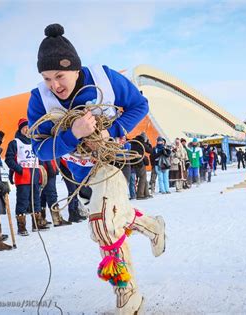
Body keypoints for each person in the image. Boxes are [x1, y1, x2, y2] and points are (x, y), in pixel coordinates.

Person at [27, 24, 165, 313]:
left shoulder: (104, 78)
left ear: (75, 69)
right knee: (116, 218)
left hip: (112, 162)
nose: (54, 85)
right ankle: (152, 227)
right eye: (47, 78)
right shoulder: (40, 98)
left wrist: (112, 130)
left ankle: (127, 294)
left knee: (102, 225)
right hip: (80, 174)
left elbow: (139, 105)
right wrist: (72, 134)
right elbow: (40, 148)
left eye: (59, 76)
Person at [5, 118, 50, 235]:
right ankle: (21, 227)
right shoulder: (15, 142)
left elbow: (39, 158)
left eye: (29, 127)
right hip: (23, 177)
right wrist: (19, 170)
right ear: (20, 129)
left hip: (35, 176)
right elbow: (9, 159)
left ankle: (37, 223)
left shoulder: (34, 141)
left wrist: (41, 169)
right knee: (22, 201)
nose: (27, 129)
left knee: (36, 200)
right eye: (24, 127)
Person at [40, 159, 71, 227]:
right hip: (47, 168)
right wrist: (50, 167)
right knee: (51, 194)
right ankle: (57, 219)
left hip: (46, 167)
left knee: (43, 195)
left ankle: (41, 219)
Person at [130, 132, 153, 200]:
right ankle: (140, 194)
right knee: (142, 177)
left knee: (144, 177)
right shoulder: (141, 143)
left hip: (133, 162)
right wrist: (149, 144)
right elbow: (150, 151)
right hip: (140, 162)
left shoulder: (133, 142)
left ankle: (146, 193)